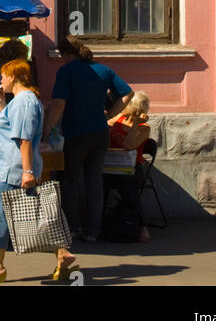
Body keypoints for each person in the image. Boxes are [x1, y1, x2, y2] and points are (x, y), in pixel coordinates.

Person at [0, 59, 79, 285]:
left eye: (3, 76)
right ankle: (62, 255)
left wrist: (27, 171)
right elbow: (13, 127)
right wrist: (2, 105)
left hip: (13, 167)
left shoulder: (24, 102)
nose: (1, 81)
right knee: (37, 213)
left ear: (12, 77)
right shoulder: (21, 102)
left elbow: (25, 138)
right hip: (15, 166)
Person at [44, 35, 132, 242]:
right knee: (94, 181)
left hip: (76, 132)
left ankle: (74, 227)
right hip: (100, 133)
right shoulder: (104, 70)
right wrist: (110, 114)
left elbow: (59, 103)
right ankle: (93, 230)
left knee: (70, 180)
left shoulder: (66, 71)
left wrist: (47, 128)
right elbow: (127, 94)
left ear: (66, 53)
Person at [107, 90, 152, 243]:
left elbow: (129, 145)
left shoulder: (144, 128)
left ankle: (141, 225)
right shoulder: (117, 120)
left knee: (127, 185)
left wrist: (134, 126)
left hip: (132, 168)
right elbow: (105, 126)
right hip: (111, 165)